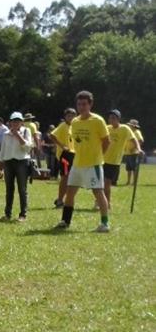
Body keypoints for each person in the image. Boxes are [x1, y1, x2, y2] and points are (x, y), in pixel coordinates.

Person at [55, 91, 110, 233]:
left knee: (98, 192)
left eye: (84, 104)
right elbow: (77, 140)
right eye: (79, 104)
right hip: (77, 164)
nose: (81, 107)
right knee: (70, 192)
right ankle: (65, 221)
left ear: (90, 104)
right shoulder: (75, 121)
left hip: (93, 165)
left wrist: (98, 156)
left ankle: (105, 223)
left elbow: (106, 141)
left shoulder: (98, 120)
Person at [0, 112, 33, 222]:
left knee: (22, 189)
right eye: (13, 121)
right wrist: (0, 166)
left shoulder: (26, 131)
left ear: (22, 122)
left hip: (22, 162)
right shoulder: (6, 134)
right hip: (9, 162)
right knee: (9, 189)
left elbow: (28, 148)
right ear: (10, 122)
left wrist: (18, 135)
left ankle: (23, 214)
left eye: (18, 121)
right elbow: (3, 151)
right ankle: (7, 214)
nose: (15, 123)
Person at [103, 110, 141, 206]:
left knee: (107, 183)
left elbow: (134, 140)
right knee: (100, 184)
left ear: (118, 119)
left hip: (114, 161)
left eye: (114, 118)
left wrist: (139, 149)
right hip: (102, 160)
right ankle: (102, 202)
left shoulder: (125, 129)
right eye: (110, 118)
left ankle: (107, 203)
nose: (111, 120)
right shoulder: (106, 128)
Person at [50, 108, 76, 208]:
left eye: (73, 116)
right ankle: (60, 200)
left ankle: (65, 199)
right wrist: (62, 146)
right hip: (65, 155)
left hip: (74, 154)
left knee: (71, 178)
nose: (71, 118)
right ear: (65, 117)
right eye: (69, 116)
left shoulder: (75, 126)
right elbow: (52, 135)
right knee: (65, 177)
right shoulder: (63, 126)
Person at [124, 119, 144, 185]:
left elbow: (140, 141)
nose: (129, 126)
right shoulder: (129, 132)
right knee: (128, 169)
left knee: (134, 168)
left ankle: (134, 182)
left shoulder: (137, 132)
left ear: (133, 126)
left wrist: (134, 148)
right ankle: (128, 181)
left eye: (130, 125)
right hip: (127, 153)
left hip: (134, 153)